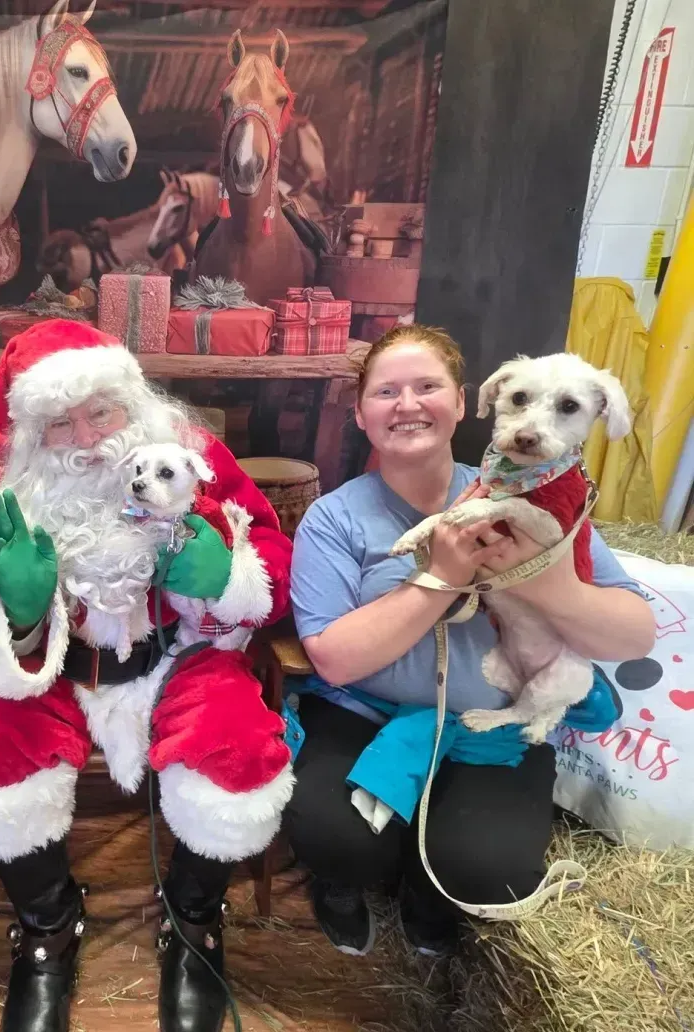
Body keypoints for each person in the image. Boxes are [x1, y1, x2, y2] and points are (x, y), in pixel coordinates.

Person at [0, 319, 294, 1032]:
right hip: (59, 673)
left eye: (100, 411)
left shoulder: (192, 458)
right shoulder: (13, 495)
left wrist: (225, 578)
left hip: (178, 655)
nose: (88, 436)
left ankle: (194, 923)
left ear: (131, 403)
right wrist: (27, 607)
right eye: (60, 423)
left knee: (235, 747)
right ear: (34, 436)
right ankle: (47, 928)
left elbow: (273, 556)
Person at [284, 324, 654, 957]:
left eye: (427, 387)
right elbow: (334, 659)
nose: (407, 405)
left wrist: (549, 583)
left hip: (495, 722)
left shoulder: (537, 496)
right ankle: (348, 880)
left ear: (461, 402)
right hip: (367, 713)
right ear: (360, 413)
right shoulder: (335, 517)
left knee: (489, 871)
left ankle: (429, 891)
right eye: (385, 391)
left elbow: (635, 633)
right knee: (332, 836)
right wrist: (443, 576)